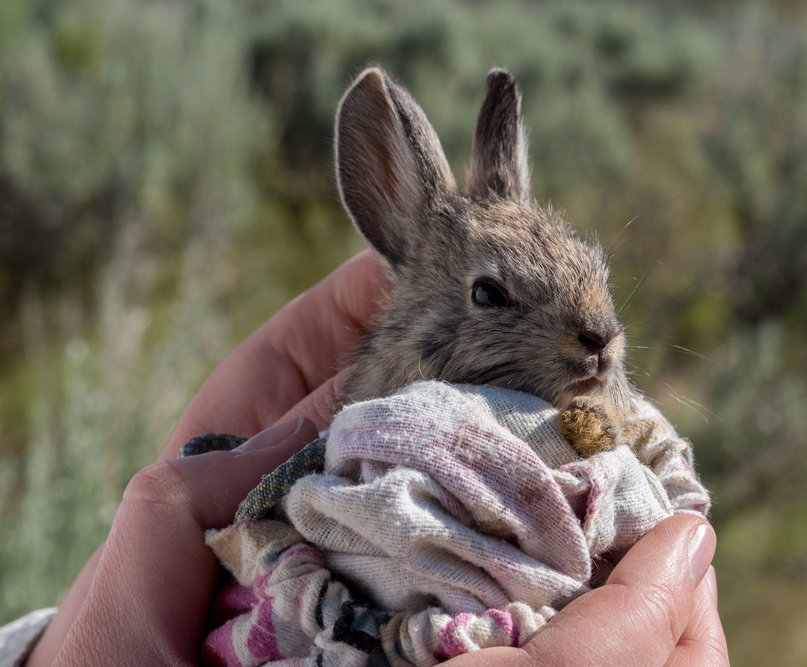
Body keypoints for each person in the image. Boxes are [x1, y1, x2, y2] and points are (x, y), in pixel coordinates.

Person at [17, 250, 729, 666]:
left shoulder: (589, 425)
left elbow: (611, 454)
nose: (601, 332)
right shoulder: (373, 427)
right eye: (492, 295)